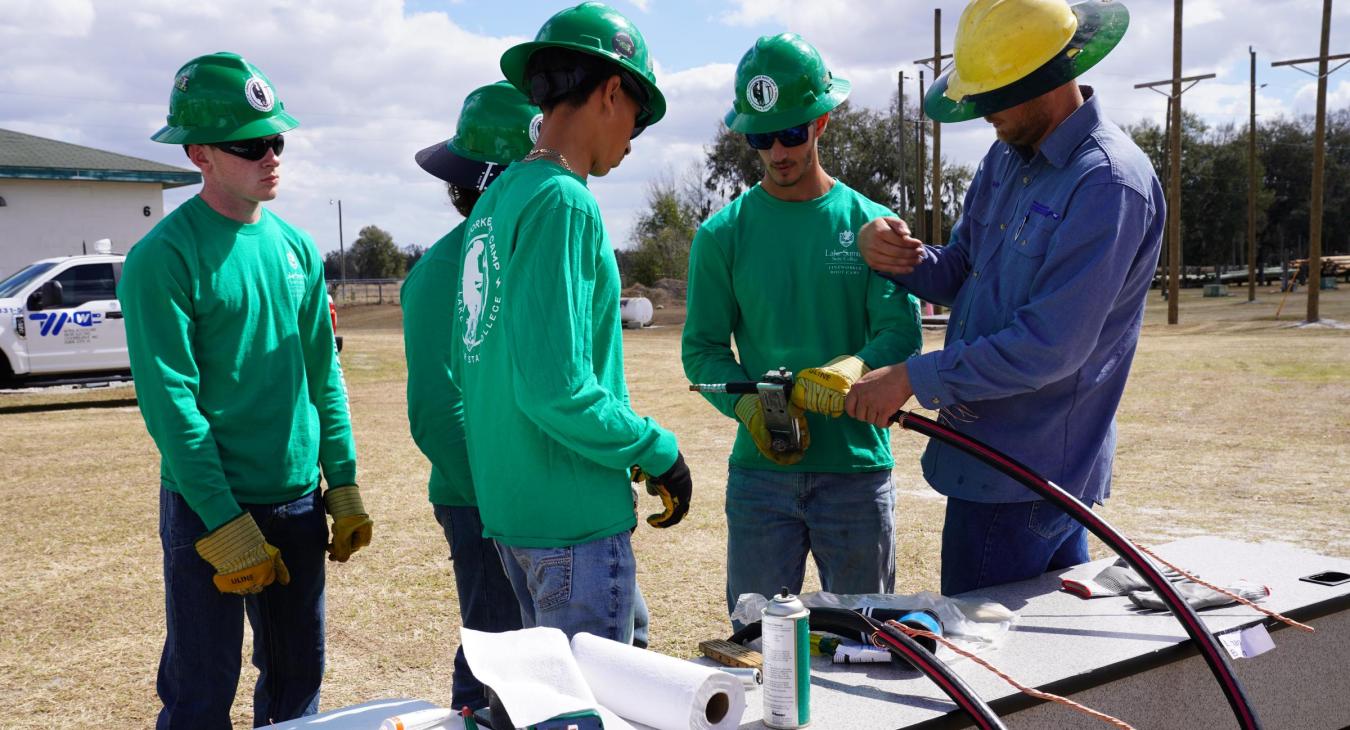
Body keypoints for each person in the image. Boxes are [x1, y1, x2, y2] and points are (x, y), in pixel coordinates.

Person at [846, 0, 1164, 596]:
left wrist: (911, 377)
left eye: (994, 94)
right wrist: (896, 256)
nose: (982, 110)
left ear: (1047, 77)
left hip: (1029, 474)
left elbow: (1050, 347)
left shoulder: (1106, 182)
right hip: (989, 460)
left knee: (985, 643)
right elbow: (962, 270)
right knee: (1039, 643)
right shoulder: (1008, 156)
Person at [120, 52, 372, 728]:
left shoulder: (298, 249)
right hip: (209, 509)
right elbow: (171, 403)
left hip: (297, 500)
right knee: (201, 690)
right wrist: (223, 518)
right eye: (249, 144)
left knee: (297, 680)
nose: (270, 156)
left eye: (276, 140)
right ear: (198, 153)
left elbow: (323, 375)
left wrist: (343, 481)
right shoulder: (163, 257)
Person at [451, 1, 692, 644]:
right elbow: (555, 388)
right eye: (639, 115)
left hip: (514, 513)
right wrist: (656, 449)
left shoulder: (497, 200)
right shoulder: (564, 202)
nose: (634, 137)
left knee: (547, 694)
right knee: (591, 695)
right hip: (573, 523)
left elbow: (474, 359)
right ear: (611, 92)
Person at [681, 33, 923, 621]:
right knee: (757, 641)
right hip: (760, 478)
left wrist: (855, 367)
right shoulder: (721, 235)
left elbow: (901, 334)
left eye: (790, 133)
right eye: (760, 138)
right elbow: (703, 349)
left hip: (856, 472)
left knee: (867, 639)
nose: (777, 152)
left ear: (821, 122)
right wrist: (749, 407)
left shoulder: (870, 224)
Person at [403, 81, 540, 712]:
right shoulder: (441, 272)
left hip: (540, 499)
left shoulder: (534, 254)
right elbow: (437, 413)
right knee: (495, 661)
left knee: (542, 659)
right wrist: (502, 502)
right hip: (482, 502)